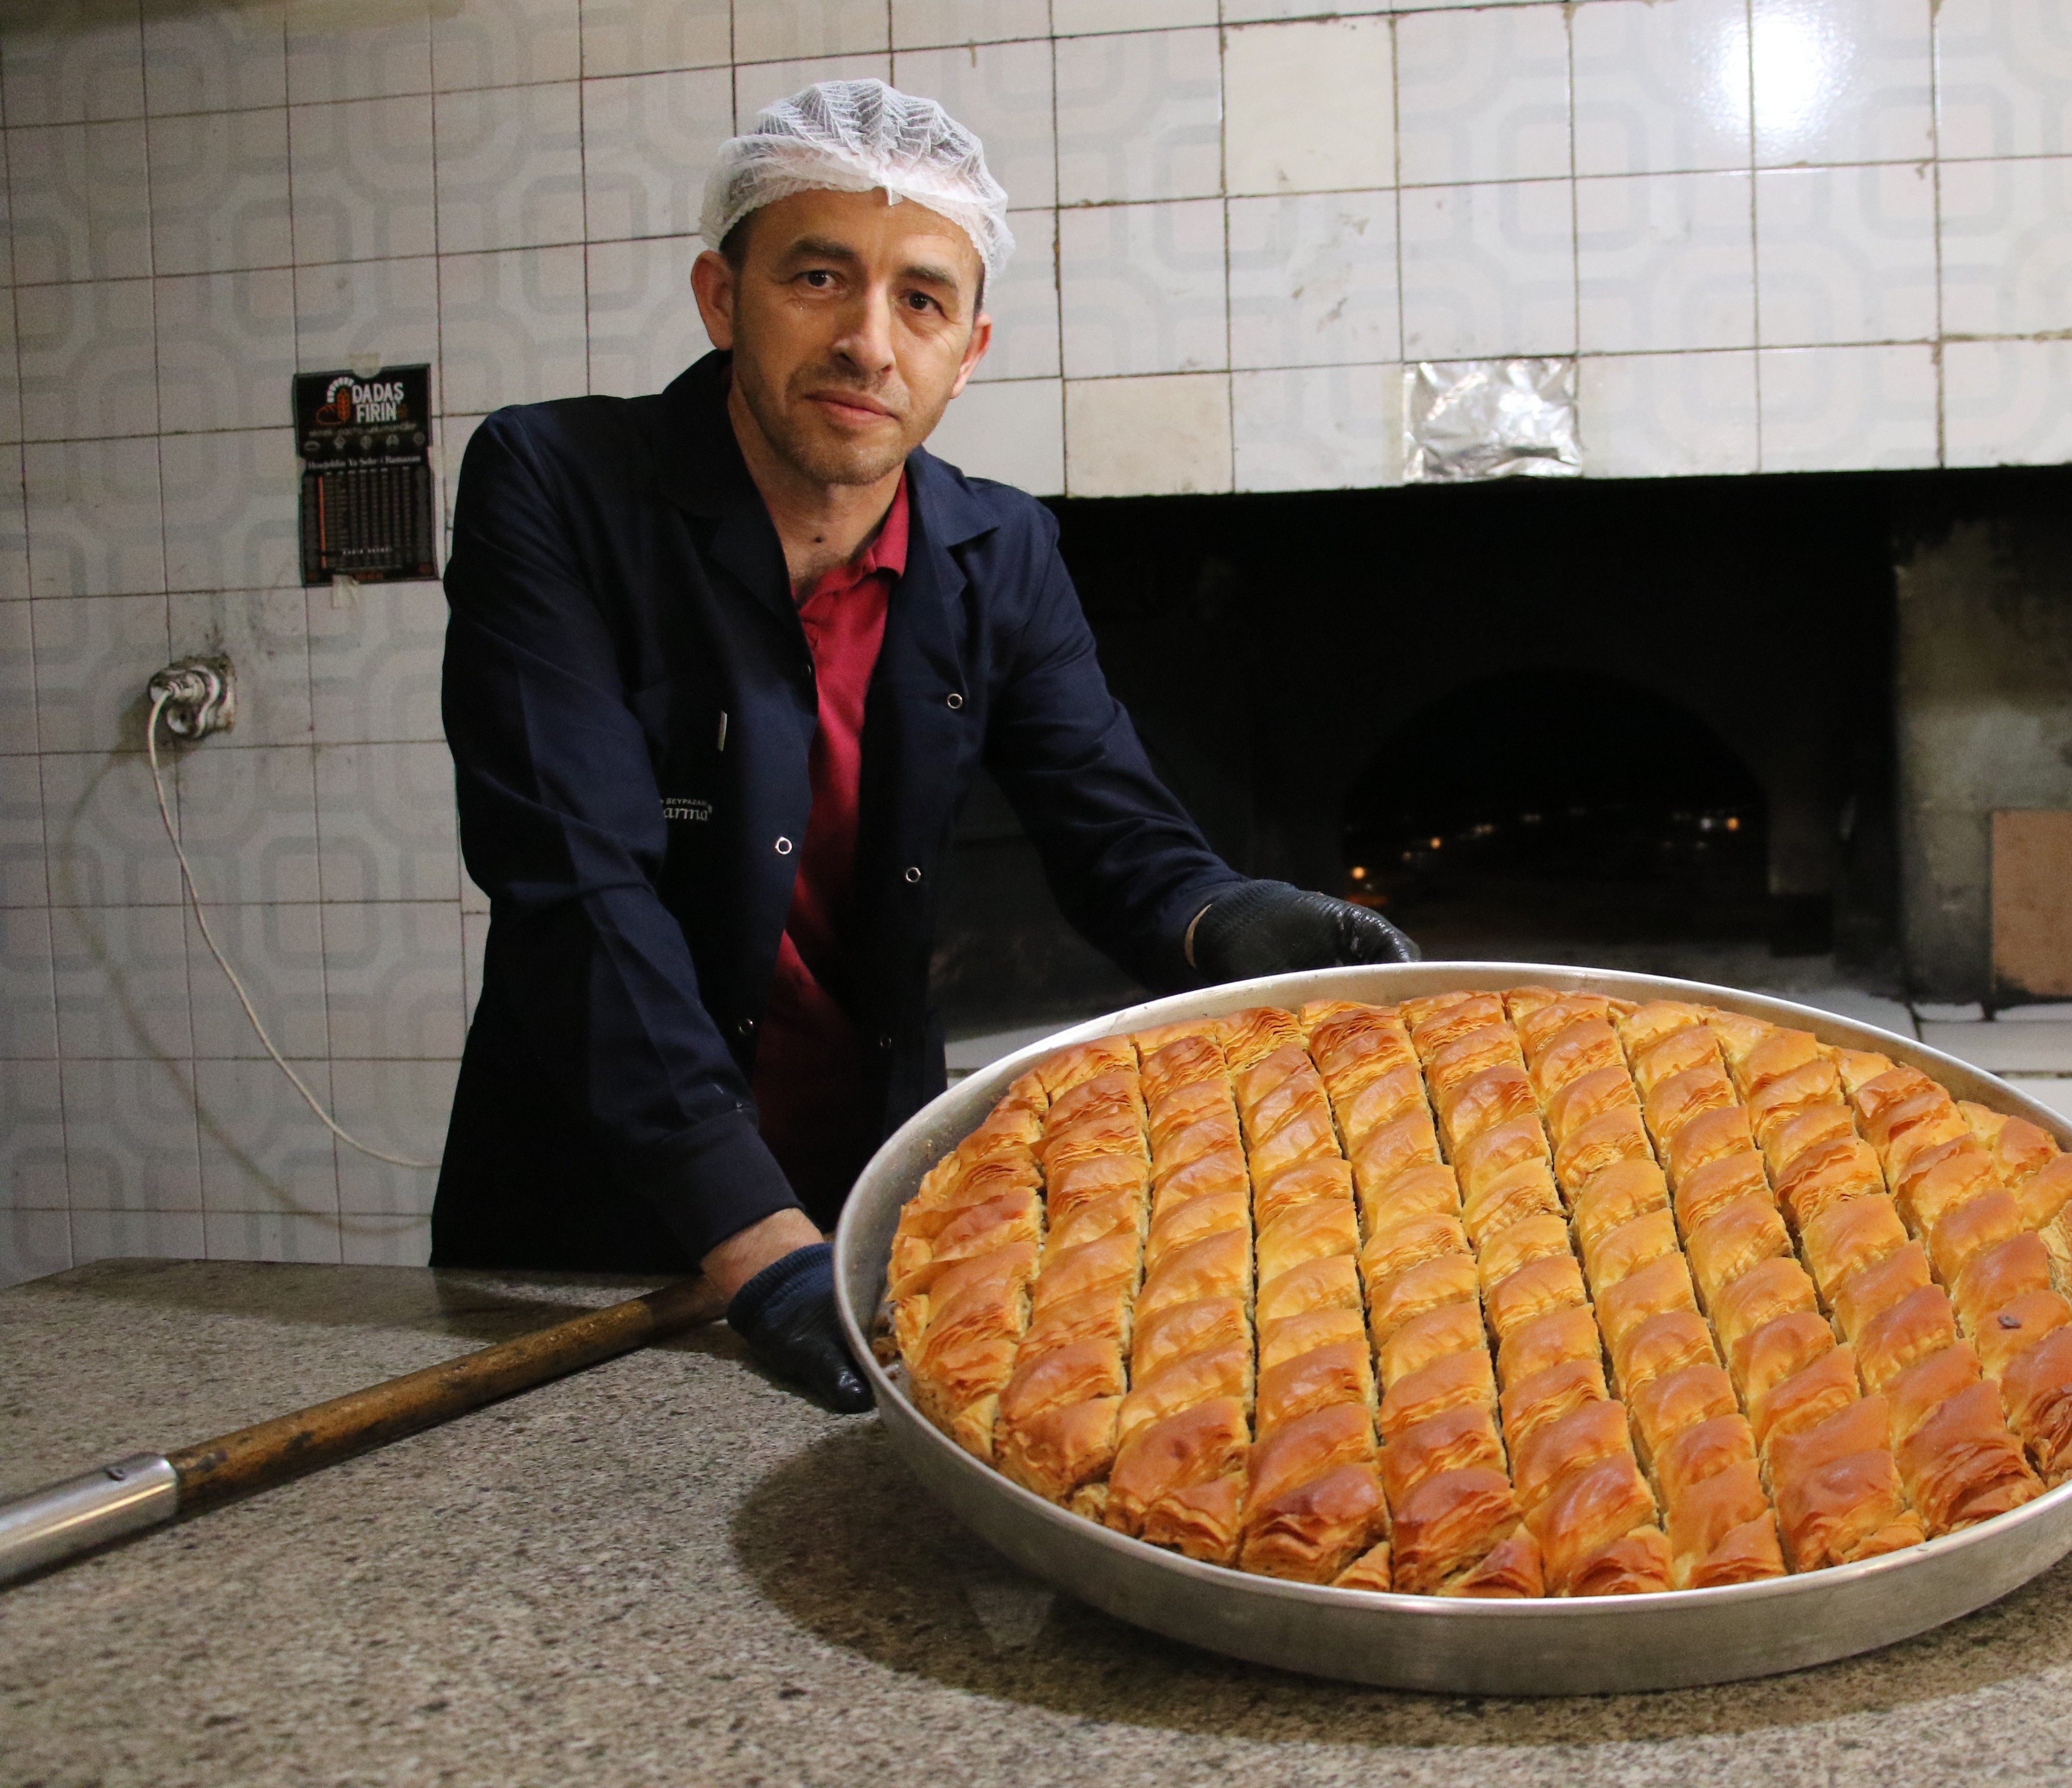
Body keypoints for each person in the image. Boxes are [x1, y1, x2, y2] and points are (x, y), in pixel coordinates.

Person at [432, 82, 1414, 1411]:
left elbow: (1113, 830)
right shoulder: (557, 487)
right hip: (591, 1219)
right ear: (723, 298)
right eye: (819, 277)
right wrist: (753, 1242)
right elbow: (572, 884)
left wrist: (1228, 915)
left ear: (970, 346)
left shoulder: (994, 549)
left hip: (865, 1198)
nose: (867, 343)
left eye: (920, 300)